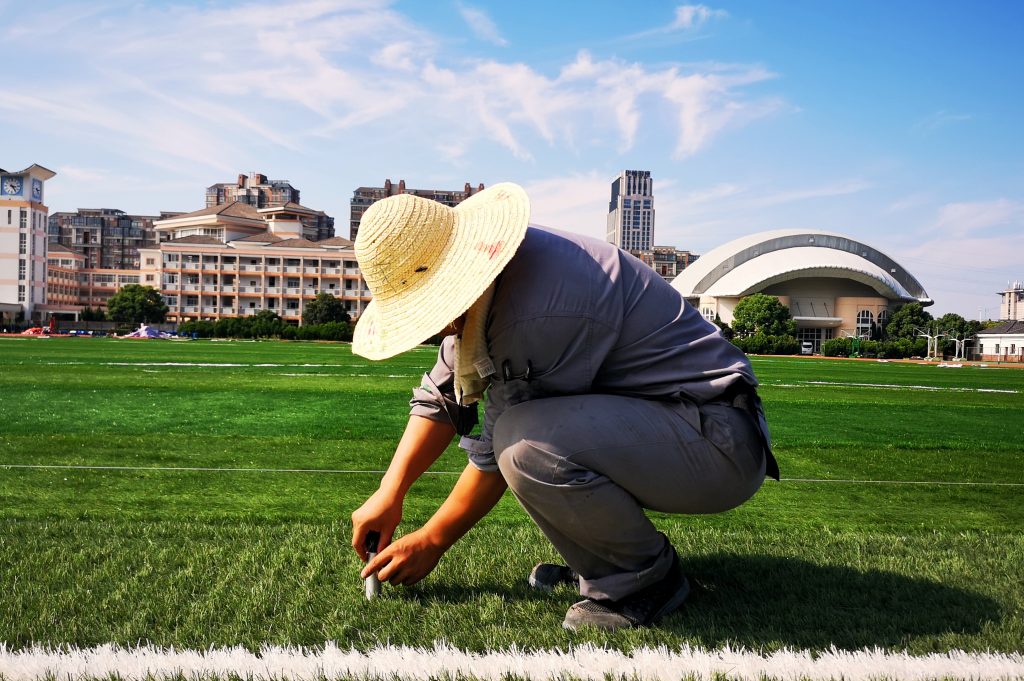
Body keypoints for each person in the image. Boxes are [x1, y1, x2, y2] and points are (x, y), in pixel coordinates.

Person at [350, 182, 778, 631]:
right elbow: (440, 395)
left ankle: (642, 580)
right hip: (677, 423)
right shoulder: (502, 273)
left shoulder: (537, 311)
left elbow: (495, 450)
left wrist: (433, 539)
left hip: (716, 443)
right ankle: (604, 559)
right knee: (527, 439)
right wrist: (390, 492)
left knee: (524, 444)